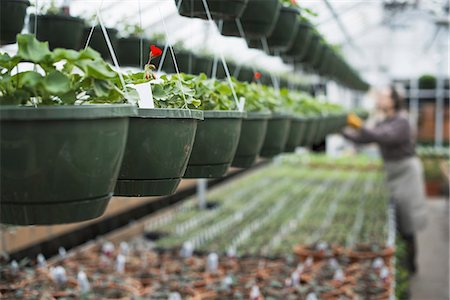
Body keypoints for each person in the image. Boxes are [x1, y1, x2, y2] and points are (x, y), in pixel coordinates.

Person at [343, 86, 427, 274]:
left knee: (407, 222)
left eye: (383, 96)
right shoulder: (384, 120)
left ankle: (411, 268)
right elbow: (364, 139)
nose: (379, 99)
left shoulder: (402, 120)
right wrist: (341, 130)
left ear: (394, 100)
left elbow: (382, 137)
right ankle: (402, 265)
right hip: (392, 171)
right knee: (395, 218)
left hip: (406, 172)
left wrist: (359, 126)